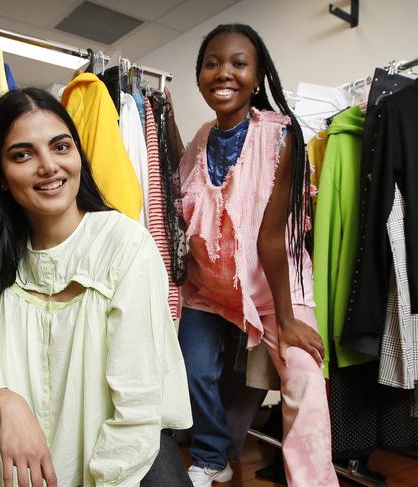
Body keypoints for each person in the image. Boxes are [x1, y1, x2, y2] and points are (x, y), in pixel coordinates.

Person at [0, 87, 193, 487]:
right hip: (19, 446)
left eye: (60, 146)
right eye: (23, 154)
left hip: (115, 437)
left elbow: (137, 403)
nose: (49, 166)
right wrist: (7, 404)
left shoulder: (124, 242)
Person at [177, 24, 339, 487]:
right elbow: (184, 211)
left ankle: (312, 481)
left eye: (238, 63)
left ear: (258, 73)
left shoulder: (281, 135)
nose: (223, 73)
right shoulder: (200, 139)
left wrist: (287, 319)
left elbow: (270, 237)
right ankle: (213, 454)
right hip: (210, 286)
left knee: (304, 375)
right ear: (200, 75)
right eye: (212, 64)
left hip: (275, 288)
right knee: (192, 369)